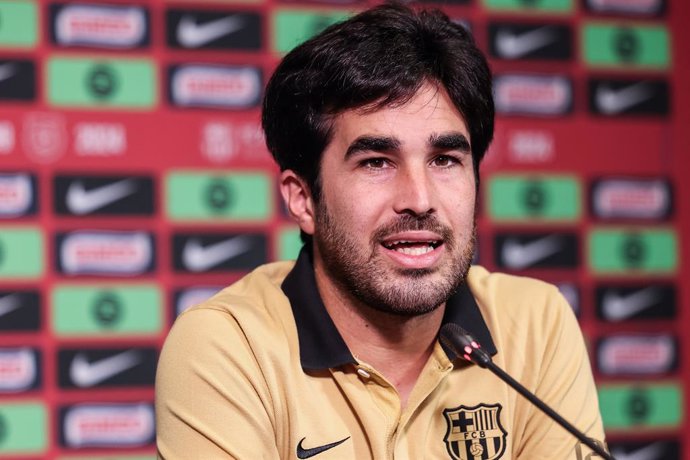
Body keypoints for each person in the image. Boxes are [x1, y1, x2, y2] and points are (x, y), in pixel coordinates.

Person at [156, 3, 607, 458]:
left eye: (445, 160)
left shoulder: (536, 323)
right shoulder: (229, 345)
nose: (420, 198)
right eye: (376, 162)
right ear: (302, 199)